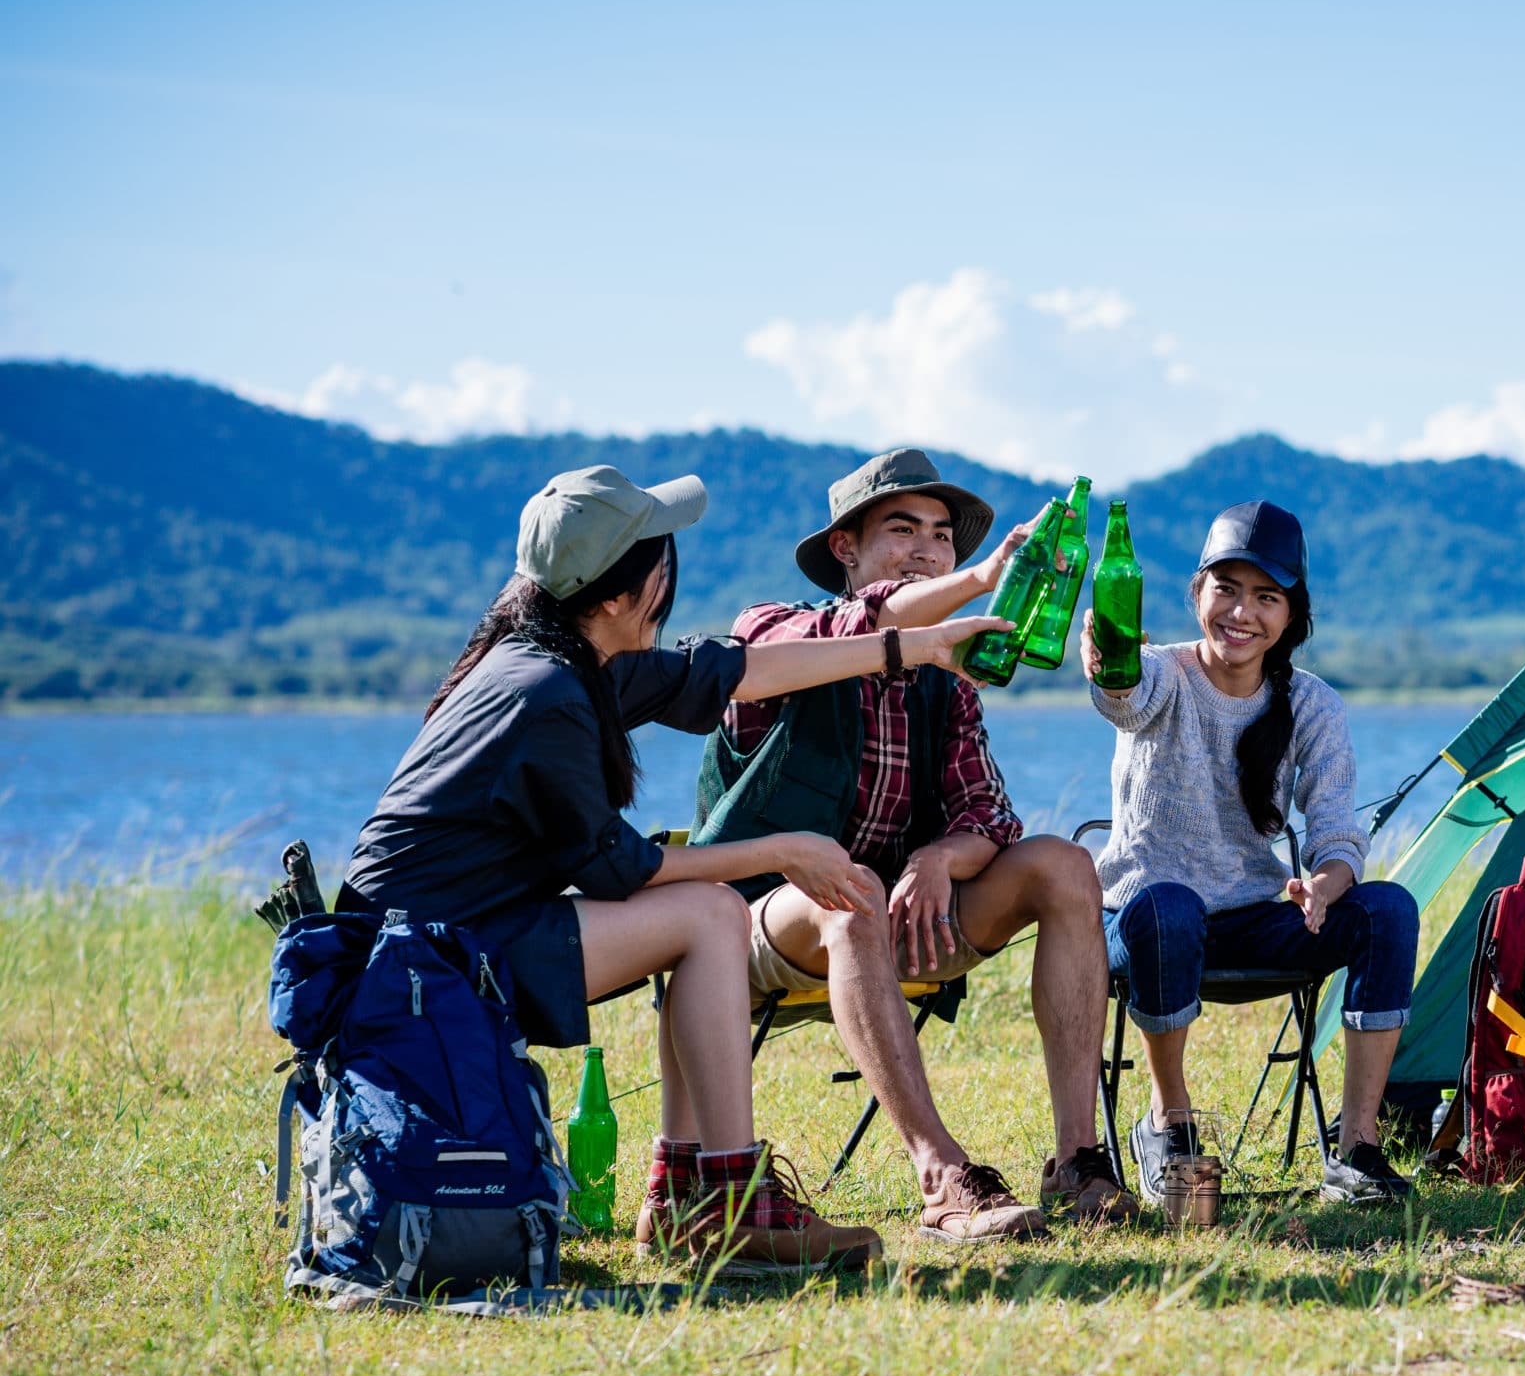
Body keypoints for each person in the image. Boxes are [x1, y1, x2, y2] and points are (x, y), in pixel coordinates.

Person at [339, 464, 1006, 1273]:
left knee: (707, 912)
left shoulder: (570, 656)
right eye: (659, 560)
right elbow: (618, 868)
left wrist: (914, 648)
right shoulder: (544, 690)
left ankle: (685, 1189)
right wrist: (781, 850)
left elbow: (736, 671)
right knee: (707, 912)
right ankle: (721, 1196)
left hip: (447, 935)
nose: (669, 578)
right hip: (422, 960)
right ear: (619, 596)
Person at [704, 449, 1133, 1243]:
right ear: (845, 547)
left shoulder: (950, 676)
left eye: (943, 537)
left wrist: (938, 857)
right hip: (748, 922)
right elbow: (860, 622)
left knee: (1063, 864)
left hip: (896, 917)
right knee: (851, 891)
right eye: (903, 529)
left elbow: (988, 819)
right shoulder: (773, 627)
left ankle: (1079, 1160)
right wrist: (981, 581)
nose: (929, 550)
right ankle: (942, 1177)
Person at [1082, 500, 1420, 1205]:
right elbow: (1123, 697)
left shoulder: (1314, 705)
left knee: (1388, 907)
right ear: (1196, 594)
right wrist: (1104, 661)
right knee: (1167, 906)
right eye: (1227, 589)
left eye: (1266, 596)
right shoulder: (1162, 673)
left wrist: (1326, 885)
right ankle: (1167, 1123)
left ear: (1291, 615)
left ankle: (1357, 1146)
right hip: (1139, 920)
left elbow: (1335, 832)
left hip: (1248, 918)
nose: (1243, 612)